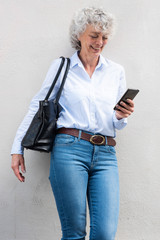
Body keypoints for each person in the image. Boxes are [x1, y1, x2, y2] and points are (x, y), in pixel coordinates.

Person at [11, 7, 134, 240]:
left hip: (106, 153)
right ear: (79, 34)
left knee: (105, 234)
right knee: (74, 233)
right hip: (69, 150)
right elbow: (37, 105)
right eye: (94, 35)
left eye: (105, 37)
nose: (100, 42)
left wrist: (120, 116)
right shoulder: (62, 67)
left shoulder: (115, 71)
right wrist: (17, 148)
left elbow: (117, 123)